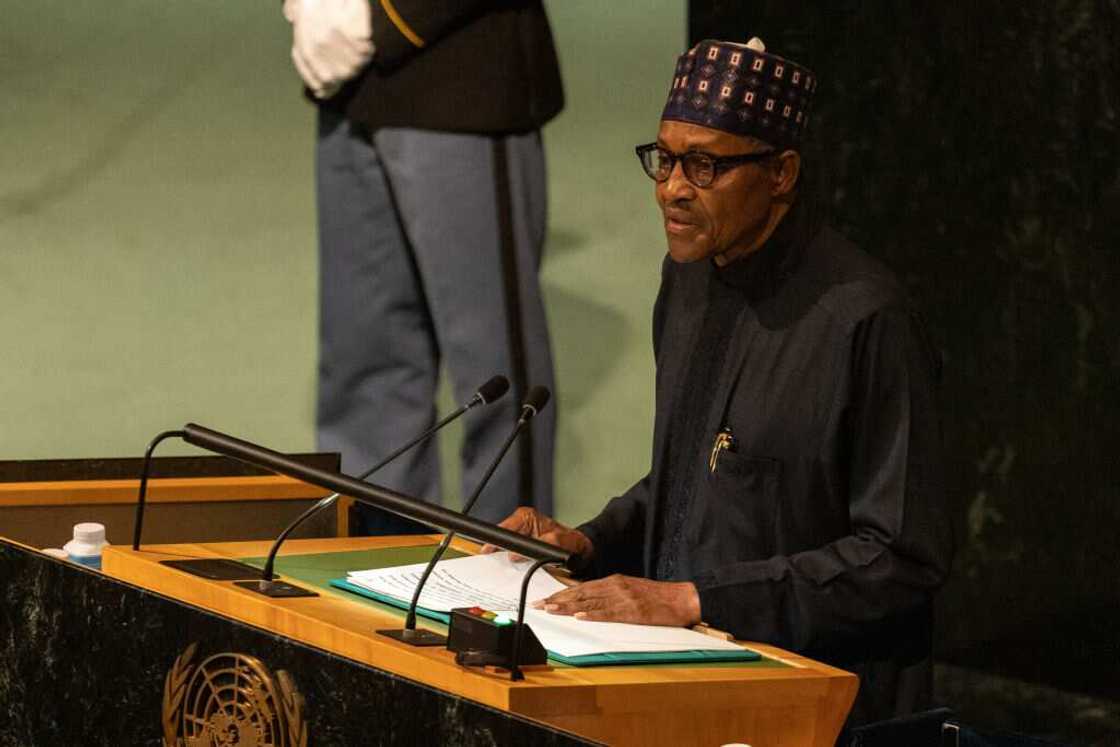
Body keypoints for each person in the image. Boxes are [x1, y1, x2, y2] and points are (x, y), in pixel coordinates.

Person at [489, 37, 953, 726]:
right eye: (665, 159)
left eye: (704, 164)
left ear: (782, 173)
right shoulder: (687, 282)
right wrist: (587, 543)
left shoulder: (864, 318)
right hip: (677, 679)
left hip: (821, 707)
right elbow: (700, 479)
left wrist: (693, 598)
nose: (673, 188)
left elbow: (900, 556)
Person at [282, 0, 563, 530]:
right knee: (364, 367)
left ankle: (501, 577)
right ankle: (370, 569)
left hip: (458, 72)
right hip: (349, 84)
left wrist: (377, 15)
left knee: (495, 379)